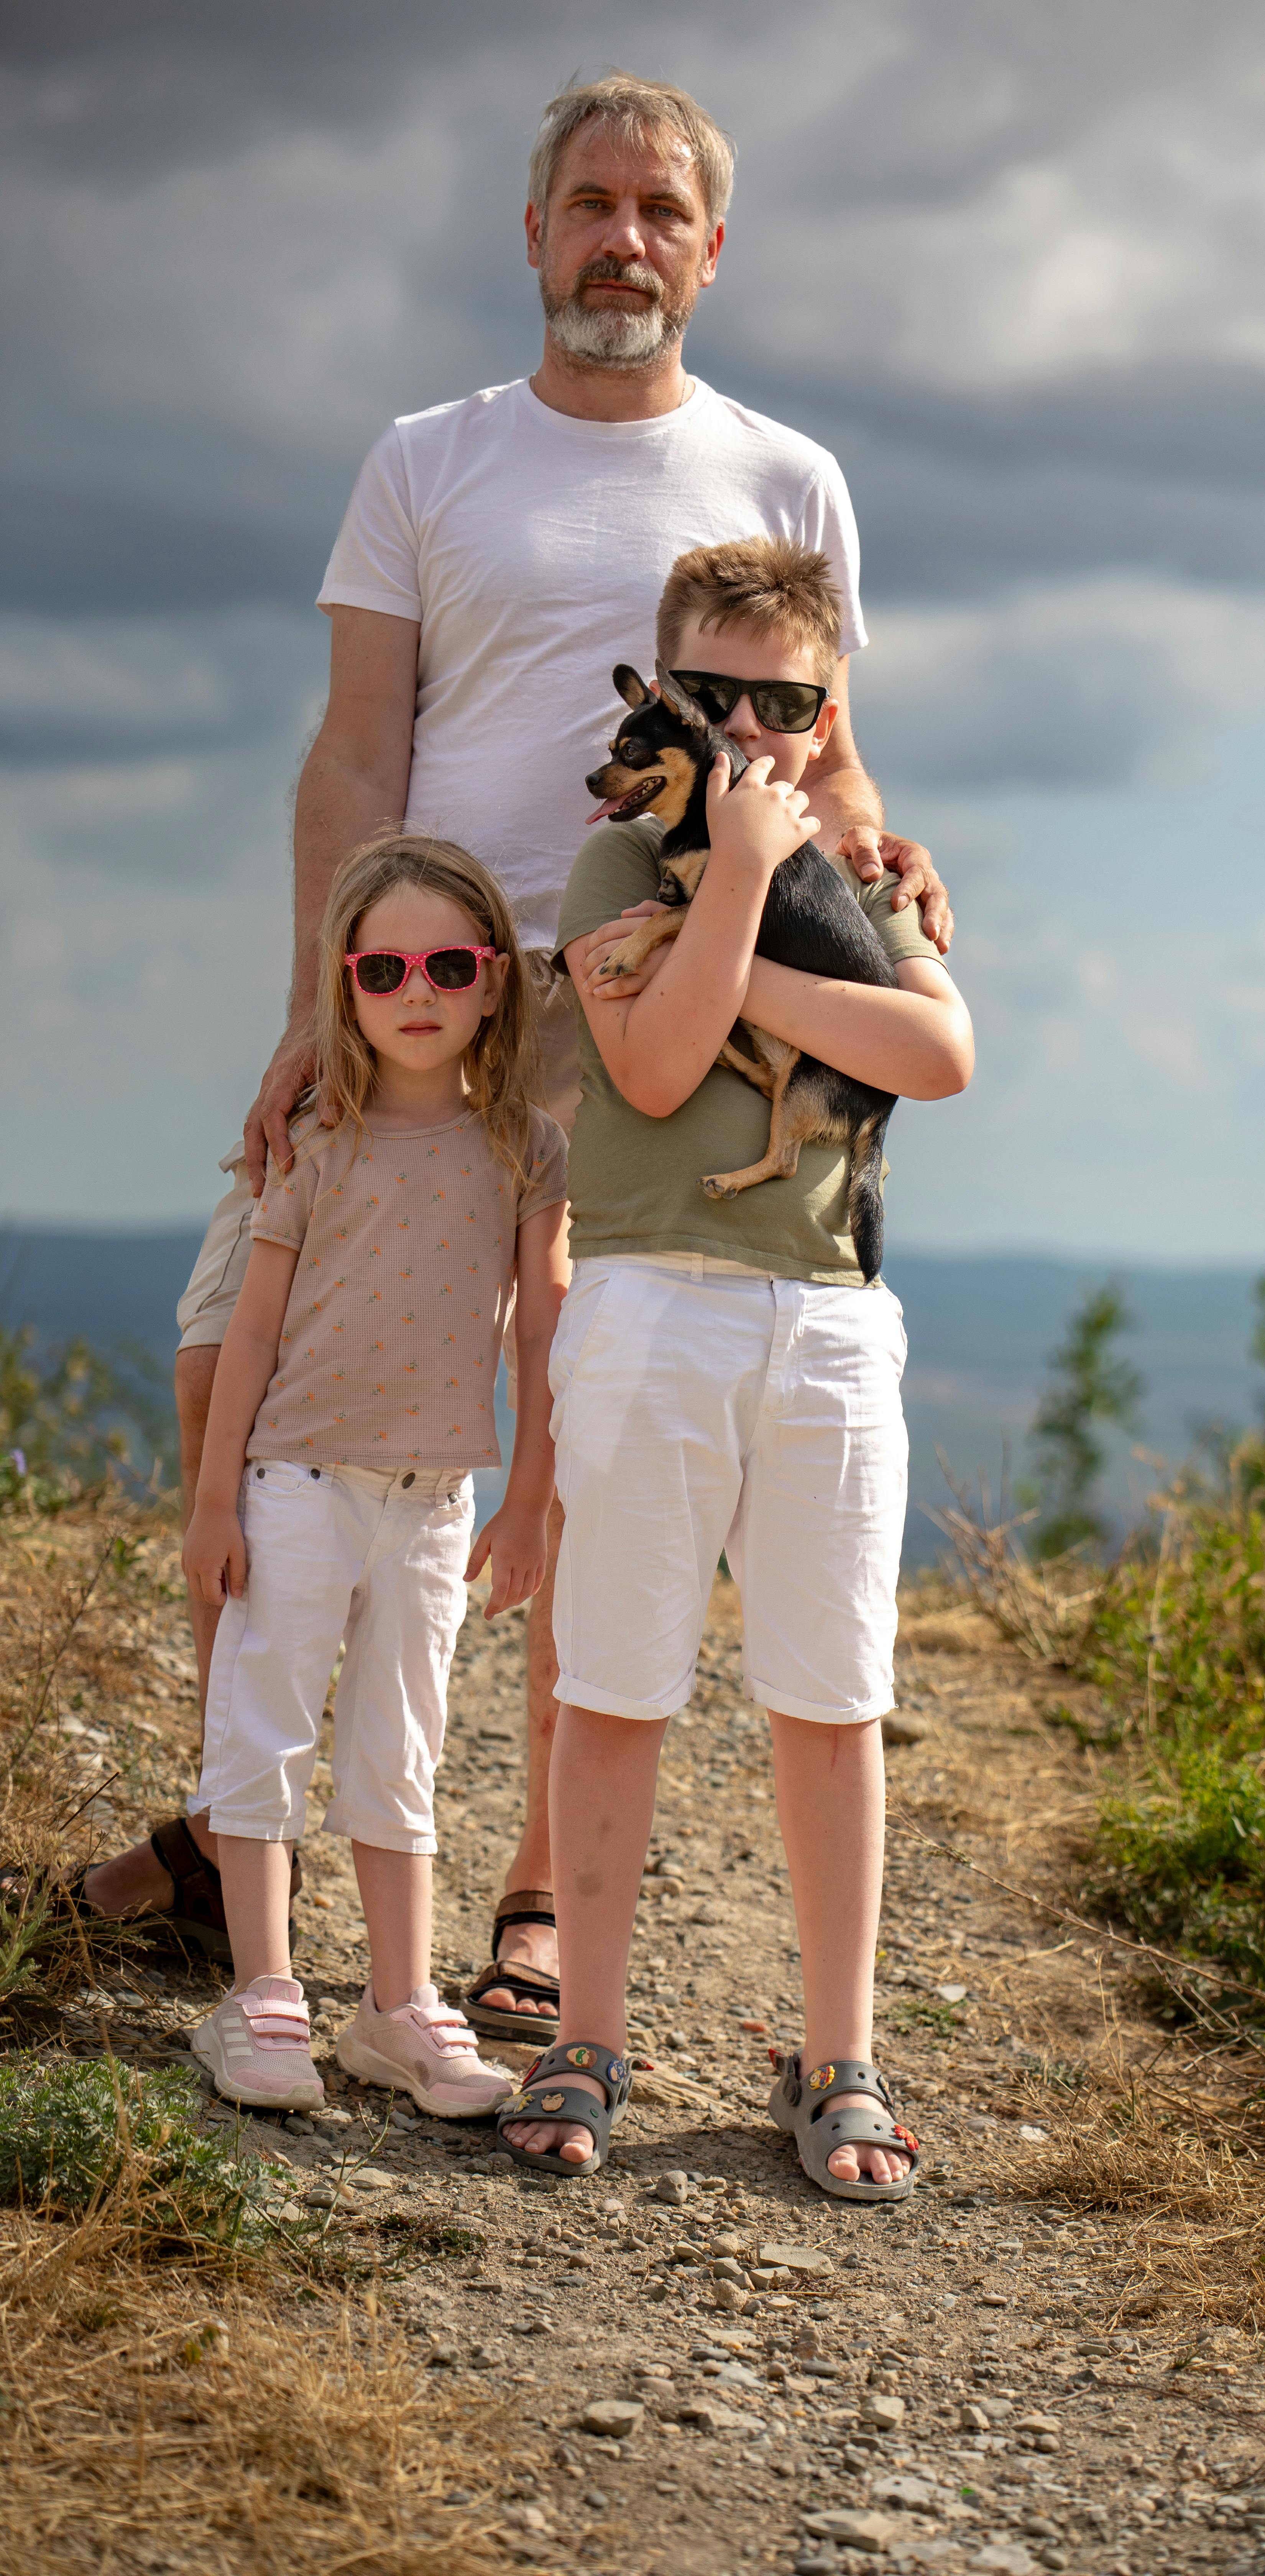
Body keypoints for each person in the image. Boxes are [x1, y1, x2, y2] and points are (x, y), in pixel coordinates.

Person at [80, 72, 952, 2027]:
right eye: (590, 203)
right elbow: (353, 749)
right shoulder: (425, 459)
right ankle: (243, 1827)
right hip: (426, 972)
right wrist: (319, 1001)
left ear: (711, 251)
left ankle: (535, 1899)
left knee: (585, 1422)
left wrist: (891, 860)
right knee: (238, 1360)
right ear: (535, 231)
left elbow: (829, 753)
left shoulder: (789, 475)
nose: (622, 239)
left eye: (661, 211)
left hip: (665, 981)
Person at [497, 536, 973, 2199]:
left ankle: (840, 2057)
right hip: (651, 1305)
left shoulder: (866, 876)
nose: (752, 729)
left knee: (833, 1698)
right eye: (716, 696)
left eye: (790, 703)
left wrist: (753, 907)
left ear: (829, 715)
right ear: (672, 698)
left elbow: (939, 1051)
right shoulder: (615, 867)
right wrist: (744, 883)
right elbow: (651, 1066)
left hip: (828, 1315)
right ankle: (588, 2037)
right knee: (616, 1683)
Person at [180, 835, 568, 2114]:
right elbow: (250, 1332)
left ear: (494, 981)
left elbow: (543, 1334)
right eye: (384, 969)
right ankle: (263, 1994)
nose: (418, 992)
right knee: (264, 1728)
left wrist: (528, 1499)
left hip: (434, 1505)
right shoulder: (316, 1141)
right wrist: (214, 1500)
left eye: (449, 966)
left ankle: (397, 2008)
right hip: (293, 1485)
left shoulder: (525, 1148)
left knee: (401, 1749)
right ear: (344, 986)